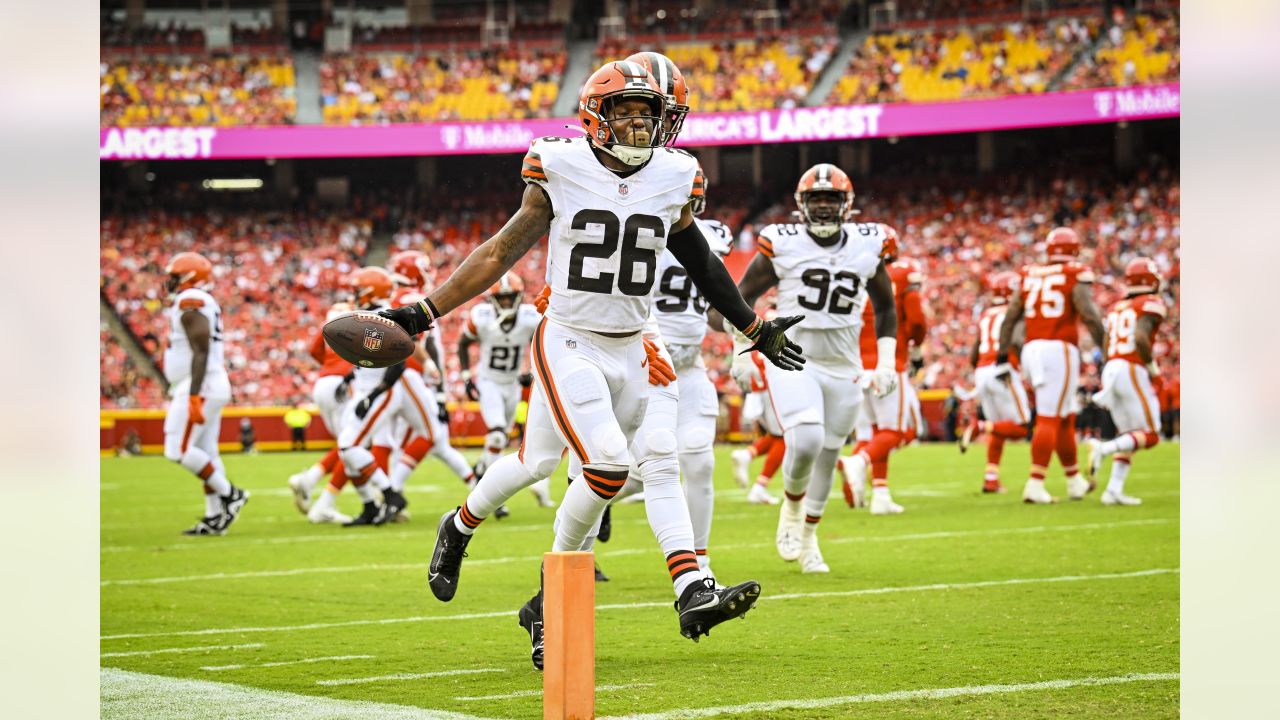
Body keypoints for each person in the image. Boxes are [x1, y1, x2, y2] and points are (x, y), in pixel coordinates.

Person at [381, 60, 803, 668]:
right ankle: (544, 583)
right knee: (607, 465)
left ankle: (477, 540)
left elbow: (702, 264)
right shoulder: (561, 163)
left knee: (547, 462)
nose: (638, 125)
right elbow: (502, 249)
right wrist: (424, 311)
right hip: (570, 337)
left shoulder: (676, 174)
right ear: (594, 117)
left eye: (648, 113)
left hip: (632, 341)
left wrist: (752, 327)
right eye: (626, 112)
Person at [727, 163, 899, 573]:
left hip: (844, 366)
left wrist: (888, 361)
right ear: (802, 204)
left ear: (847, 204)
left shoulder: (868, 243)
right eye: (816, 199)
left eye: (831, 199)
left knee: (827, 455)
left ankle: (809, 539)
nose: (823, 207)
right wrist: (741, 348)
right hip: (792, 356)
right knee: (805, 439)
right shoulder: (782, 243)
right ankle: (790, 504)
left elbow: (887, 307)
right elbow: (738, 297)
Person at [996, 227, 1107, 504]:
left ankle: (1073, 481)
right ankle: (1035, 483)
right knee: (1049, 417)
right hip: (1058, 347)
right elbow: (1089, 314)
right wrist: (1106, 350)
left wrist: (1002, 351)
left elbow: (1011, 316)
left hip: (1033, 348)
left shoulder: (1029, 274)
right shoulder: (1073, 273)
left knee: (1065, 415)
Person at [161, 252, 249, 536]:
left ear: (188, 277)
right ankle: (214, 516)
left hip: (202, 383)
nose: (170, 282)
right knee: (207, 452)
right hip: (207, 382)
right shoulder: (196, 300)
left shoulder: (191, 300)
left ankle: (231, 494)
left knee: (177, 449)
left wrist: (195, 394)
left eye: (175, 276)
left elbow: (201, 350)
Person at [836, 255, 926, 515]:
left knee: (873, 434)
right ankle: (859, 461)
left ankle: (881, 493)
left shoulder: (852, 271)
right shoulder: (902, 273)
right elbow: (917, 319)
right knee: (895, 432)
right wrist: (916, 347)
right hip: (886, 363)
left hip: (856, 365)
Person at [457, 272, 550, 506]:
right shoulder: (482, 317)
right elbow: (463, 342)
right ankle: (490, 498)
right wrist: (467, 376)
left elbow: (542, 343)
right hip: (489, 381)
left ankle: (481, 468)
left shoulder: (530, 317)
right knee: (497, 434)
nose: (507, 302)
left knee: (500, 438)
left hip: (511, 385)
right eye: (503, 298)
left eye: (510, 297)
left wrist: (532, 371)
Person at [1086, 258, 1167, 505]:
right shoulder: (1150, 303)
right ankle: (1103, 448)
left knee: (1129, 434)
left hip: (1112, 366)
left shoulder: (1117, 307)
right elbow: (1141, 338)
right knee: (1150, 435)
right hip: (1130, 365)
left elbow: (1106, 343)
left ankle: (1113, 490)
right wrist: (1153, 370)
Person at [957, 271, 1030, 494]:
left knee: (998, 428)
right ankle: (979, 427)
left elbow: (974, 352)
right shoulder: (1014, 313)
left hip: (982, 370)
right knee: (1021, 427)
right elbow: (1016, 341)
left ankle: (991, 479)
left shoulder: (987, 314)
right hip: (1003, 368)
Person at [288, 301, 356, 524]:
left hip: (324, 382)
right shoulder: (357, 317)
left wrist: (329, 365)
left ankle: (309, 480)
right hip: (343, 383)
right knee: (353, 445)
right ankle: (324, 501)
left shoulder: (331, 319)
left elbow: (314, 350)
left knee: (347, 444)